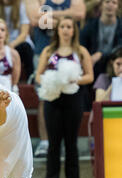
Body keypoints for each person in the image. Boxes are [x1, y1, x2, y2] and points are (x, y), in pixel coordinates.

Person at [35, 16, 94, 178]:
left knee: (71, 142)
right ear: (58, 30)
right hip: (52, 99)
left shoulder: (80, 51)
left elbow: (90, 76)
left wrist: (75, 79)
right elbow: (38, 75)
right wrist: (50, 81)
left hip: (73, 100)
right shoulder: (49, 51)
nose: (66, 30)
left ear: (74, 30)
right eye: (63, 26)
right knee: (53, 143)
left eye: (69, 26)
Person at [26, 0, 86, 157]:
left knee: (69, 94)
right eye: (62, 27)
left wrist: (48, 15)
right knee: (45, 95)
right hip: (45, 52)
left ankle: (68, 142)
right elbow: (34, 19)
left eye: (66, 26)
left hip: (69, 49)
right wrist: (66, 17)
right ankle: (46, 142)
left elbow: (80, 14)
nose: (63, 28)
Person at [80, 0, 122, 80]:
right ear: (101, 5)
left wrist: (101, 54)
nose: (110, 5)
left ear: (118, 7)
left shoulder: (120, 26)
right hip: (92, 65)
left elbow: (120, 49)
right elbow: (82, 46)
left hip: (114, 67)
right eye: (107, 2)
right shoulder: (91, 25)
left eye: (114, 2)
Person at [0, 0, 34, 79]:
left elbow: (24, 34)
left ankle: (30, 78)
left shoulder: (21, 6)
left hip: (18, 43)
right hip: (1, 43)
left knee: (26, 47)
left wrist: (9, 46)